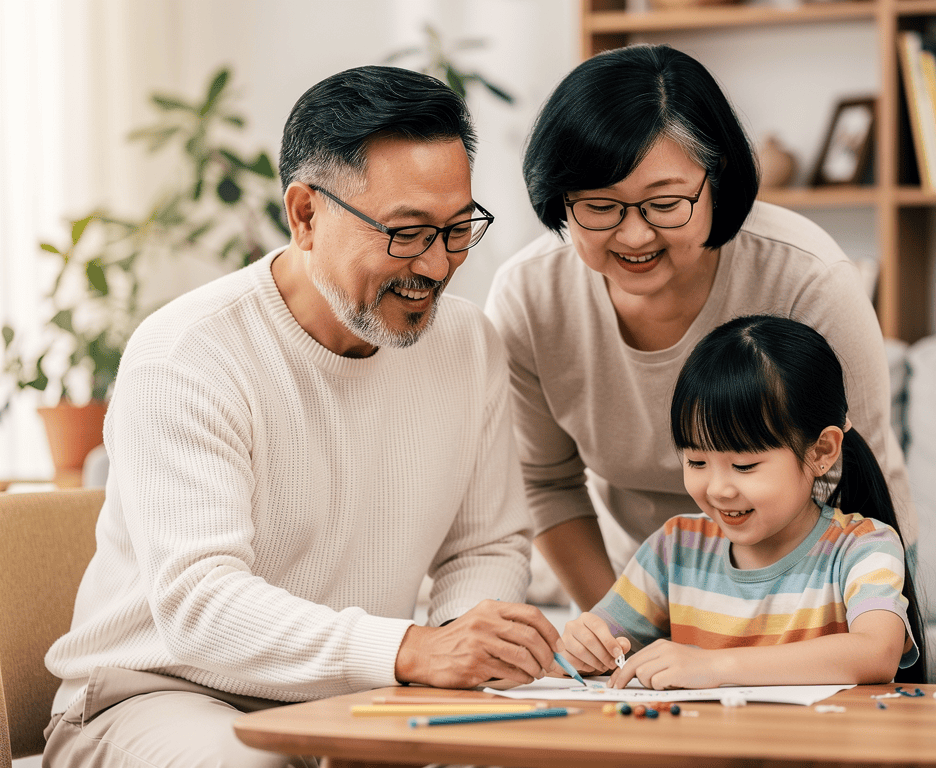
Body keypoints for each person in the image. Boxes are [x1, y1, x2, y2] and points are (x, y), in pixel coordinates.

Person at [43, 65, 562, 768]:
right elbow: (200, 605)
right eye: (408, 233)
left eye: (456, 229)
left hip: (353, 699)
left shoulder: (468, 342)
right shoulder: (188, 354)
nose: (438, 267)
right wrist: (410, 651)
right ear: (306, 215)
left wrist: (464, 647)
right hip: (156, 695)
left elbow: (486, 545)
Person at [484, 43, 917, 611]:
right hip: (647, 586)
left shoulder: (808, 281)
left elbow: (854, 476)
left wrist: (753, 633)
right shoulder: (529, 298)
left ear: (718, 180)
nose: (634, 236)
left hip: (820, 588)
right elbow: (547, 484)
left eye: (665, 203)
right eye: (600, 206)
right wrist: (619, 627)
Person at [560, 315, 926, 689]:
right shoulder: (675, 548)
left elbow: (877, 651)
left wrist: (715, 666)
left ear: (821, 451)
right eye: (696, 461)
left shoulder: (862, 547)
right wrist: (581, 648)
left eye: (744, 465)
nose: (719, 489)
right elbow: (590, 650)